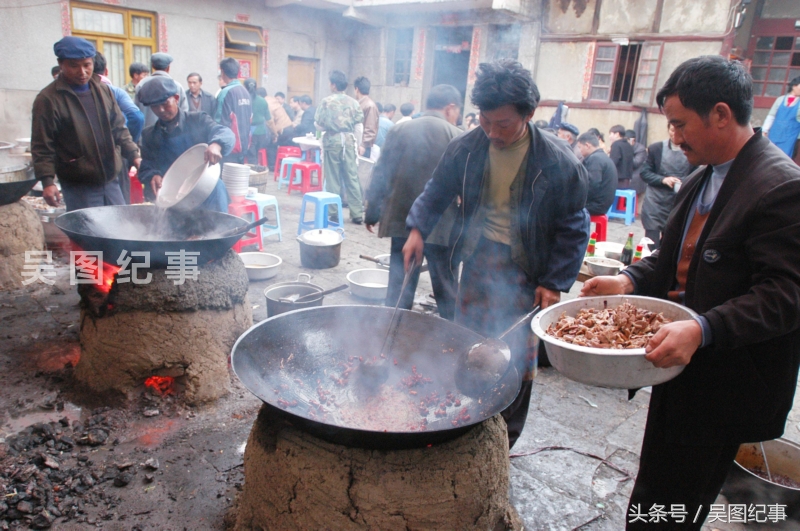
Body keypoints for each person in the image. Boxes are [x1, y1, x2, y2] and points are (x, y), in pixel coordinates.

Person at [581, 55, 800, 531]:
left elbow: (786, 294)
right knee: (658, 483)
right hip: (677, 364)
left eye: (680, 125)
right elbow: (674, 253)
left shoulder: (780, 186)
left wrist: (703, 328)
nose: (674, 138)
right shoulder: (704, 175)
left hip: (724, 378)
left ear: (721, 114)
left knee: (680, 495)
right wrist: (629, 280)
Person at [404, 60, 589, 447]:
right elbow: (437, 189)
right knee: (471, 340)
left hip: (529, 269)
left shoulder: (558, 162)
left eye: (503, 124)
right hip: (478, 258)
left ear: (528, 114)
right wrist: (418, 230)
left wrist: (555, 282)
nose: (492, 132)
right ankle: (467, 419)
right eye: (486, 121)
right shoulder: (469, 148)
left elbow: (574, 226)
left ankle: (504, 438)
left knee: (518, 354)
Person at [365, 85, 463, 320]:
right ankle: (456, 336)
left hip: (403, 221)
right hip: (444, 226)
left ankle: (392, 333)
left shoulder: (400, 130)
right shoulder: (457, 135)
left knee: (400, 286)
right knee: (447, 287)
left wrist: (372, 212)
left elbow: (382, 172)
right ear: (450, 108)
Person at [32, 37, 140, 211]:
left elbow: (119, 128)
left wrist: (135, 155)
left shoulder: (103, 90)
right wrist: (47, 181)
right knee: (89, 234)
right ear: (61, 64)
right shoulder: (48, 99)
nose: (82, 72)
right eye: (74, 66)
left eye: (87, 65)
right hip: (79, 185)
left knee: (120, 229)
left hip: (111, 179)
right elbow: (42, 145)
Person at [137, 76, 234, 211]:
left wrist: (216, 144)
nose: (161, 110)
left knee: (215, 231)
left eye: (165, 104)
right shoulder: (150, 135)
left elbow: (225, 132)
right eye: (155, 107)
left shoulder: (198, 120)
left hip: (208, 194)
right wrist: (153, 175)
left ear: (176, 99)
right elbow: (146, 166)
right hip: (175, 201)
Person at [315, 70, 365, 224]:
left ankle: (334, 212)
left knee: (333, 178)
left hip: (332, 142)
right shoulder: (354, 103)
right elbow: (359, 127)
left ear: (333, 84)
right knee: (351, 177)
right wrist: (356, 143)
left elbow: (318, 124)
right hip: (349, 141)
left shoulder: (326, 102)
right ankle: (357, 213)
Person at [94, 52, 144, 204]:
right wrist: (127, 145)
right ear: (106, 71)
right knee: (119, 204)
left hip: (86, 164)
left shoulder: (74, 95)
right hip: (116, 154)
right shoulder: (116, 91)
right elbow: (137, 117)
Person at [640, 125, 695, 250]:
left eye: (678, 129)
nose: (674, 133)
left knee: (670, 242)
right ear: (668, 130)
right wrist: (663, 179)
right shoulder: (656, 148)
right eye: (672, 129)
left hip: (677, 201)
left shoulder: (691, 151)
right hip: (655, 202)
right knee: (651, 242)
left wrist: (685, 183)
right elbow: (644, 173)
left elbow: (697, 174)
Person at [214, 57, 252, 165]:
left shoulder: (225, 92)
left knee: (225, 179)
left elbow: (219, 122)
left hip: (229, 148)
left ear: (222, 71)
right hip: (244, 145)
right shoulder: (245, 92)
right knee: (237, 179)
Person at [135, 53, 188, 129]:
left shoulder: (141, 85)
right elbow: (184, 112)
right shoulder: (176, 85)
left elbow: (135, 112)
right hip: (172, 134)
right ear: (168, 68)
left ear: (153, 66)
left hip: (146, 134)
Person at [577, 132, 617, 216]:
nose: (579, 151)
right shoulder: (602, 156)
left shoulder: (595, 159)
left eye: (580, 147)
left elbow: (592, 184)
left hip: (596, 205)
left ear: (587, 145)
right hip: (601, 203)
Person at [763, 76, 800, 162]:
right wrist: (764, 131)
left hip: (790, 138)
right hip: (774, 134)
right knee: (768, 157)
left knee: (783, 160)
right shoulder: (780, 100)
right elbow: (771, 116)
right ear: (794, 86)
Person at [243, 79, 272, 167]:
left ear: (244, 87)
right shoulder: (263, 101)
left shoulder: (243, 101)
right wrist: (275, 134)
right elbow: (269, 121)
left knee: (249, 155)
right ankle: (258, 168)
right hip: (262, 135)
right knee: (256, 152)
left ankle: (252, 172)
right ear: (256, 87)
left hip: (247, 135)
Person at [353, 76, 379, 158]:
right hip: (358, 144)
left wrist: (363, 145)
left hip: (362, 146)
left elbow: (370, 128)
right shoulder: (360, 103)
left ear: (356, 89)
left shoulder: (369, 105)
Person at [608, 124, 634, 188]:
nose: (609, 136)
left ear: (617, 134)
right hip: (627, 179)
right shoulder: (628, 145)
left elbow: (613, 162)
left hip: (617, 179)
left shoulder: (616, 145)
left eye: (611, 134)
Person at [626, 129, 647, 204]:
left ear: (633, 140)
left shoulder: (640, 149)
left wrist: (627, 153)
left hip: (636, 175)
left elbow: (635, 163)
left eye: (628, 140)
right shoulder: (624, 147)